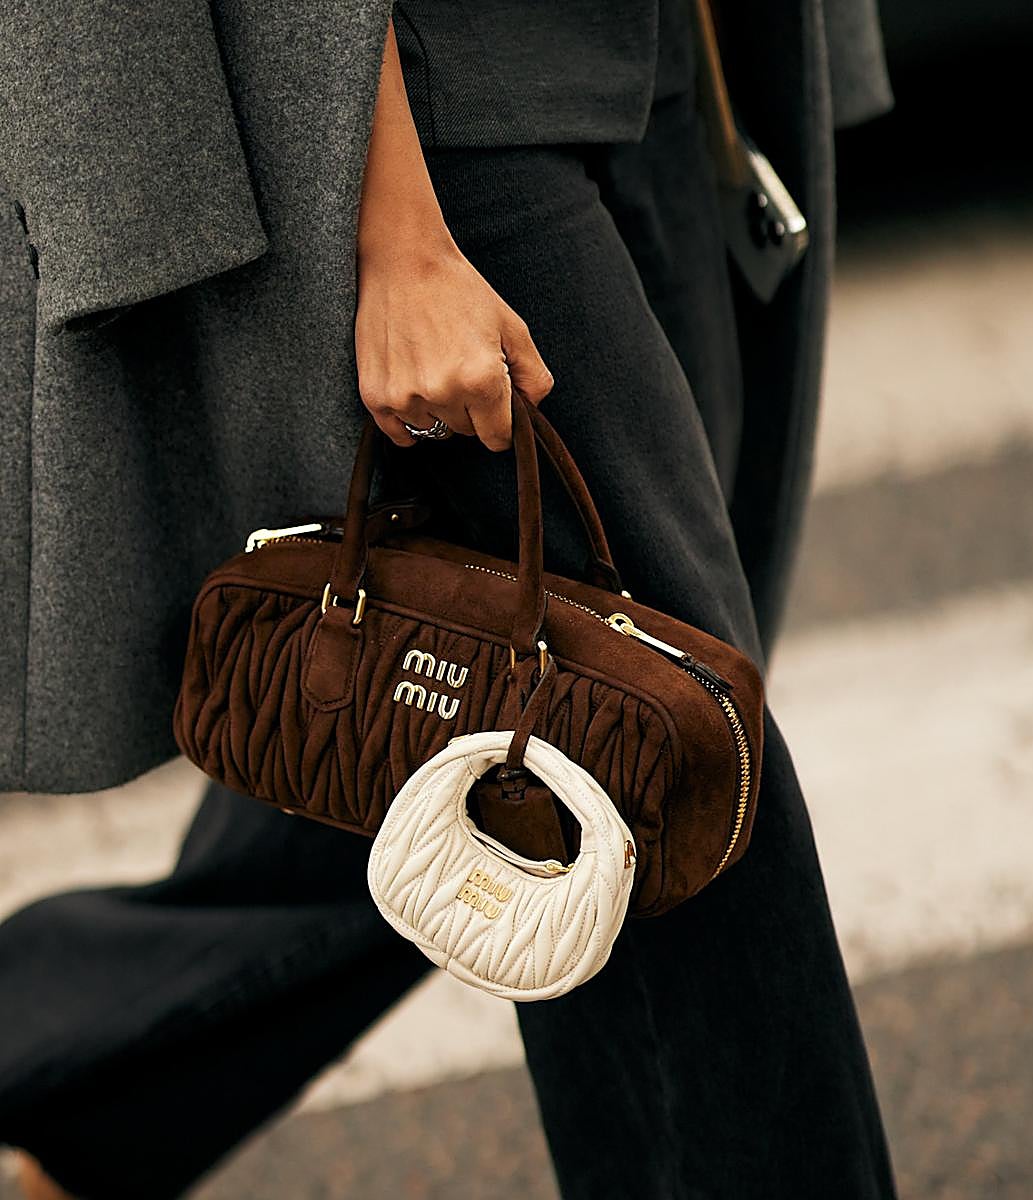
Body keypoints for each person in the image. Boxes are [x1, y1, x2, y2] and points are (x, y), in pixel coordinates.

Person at [0, 0, 898, 1195]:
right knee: (659, 759)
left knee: (442, 722)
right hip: (445, 109)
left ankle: (70, 1082)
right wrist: (396, 232)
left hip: (661, 64)